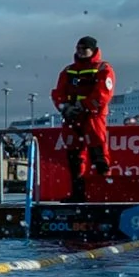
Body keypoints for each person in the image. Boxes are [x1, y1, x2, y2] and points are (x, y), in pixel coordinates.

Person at [52, 36, 115, 202]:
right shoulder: (68, 71)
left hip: (93, 117)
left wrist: (84, 105)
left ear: (93, 50)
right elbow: (58, 93)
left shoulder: (103, 68)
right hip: (72, 118)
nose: (80, 52)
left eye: (83, 49)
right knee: (74, 156)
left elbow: (103, 93)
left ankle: (103, 192)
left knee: (98, 153)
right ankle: (78, 193)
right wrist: (65, 107)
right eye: (78, 49)